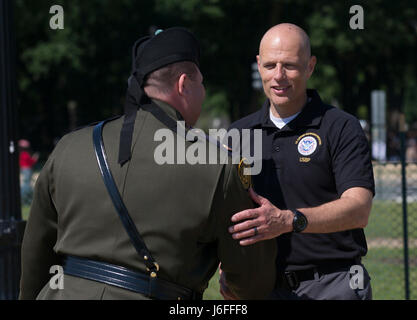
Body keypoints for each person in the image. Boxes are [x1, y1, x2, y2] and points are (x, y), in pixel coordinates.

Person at [19, 27, 276, 300]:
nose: (202, 92)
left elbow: (36, 253)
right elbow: (250, 283)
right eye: (201, 83)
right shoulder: (218, 164)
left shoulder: (69, 147)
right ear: (184, 84)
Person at [223, 23, 375, 300]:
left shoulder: (341, 127)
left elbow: (358, 209)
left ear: (310, 66)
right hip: (261, 289)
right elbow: (228, 211)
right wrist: (229, 269)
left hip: (333, 285)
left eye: (290, 65)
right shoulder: (237, 135)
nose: (278, 76)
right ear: (258, 65)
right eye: (270, 65)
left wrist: (289, 220)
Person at [18, 139, 39, 205]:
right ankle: (26, 198)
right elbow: (31, 162)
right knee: (27, 183)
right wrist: (35, 158)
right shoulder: (25, 154)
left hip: (23, 169)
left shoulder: (21, 154)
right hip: (27, 169)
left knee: (27, 182)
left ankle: (26, 198)